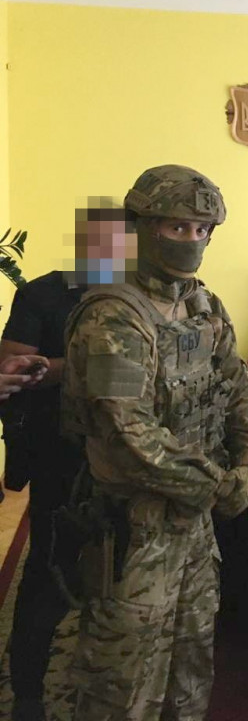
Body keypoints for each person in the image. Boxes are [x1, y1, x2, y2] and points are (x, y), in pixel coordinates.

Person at [62, 164, 248, 721]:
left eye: (202, 229)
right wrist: (218, 485)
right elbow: (126, 435)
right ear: (144, 226)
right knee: (122, 686)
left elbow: (240, 389)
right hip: (136, 532)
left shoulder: (204, 307)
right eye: (178, 227)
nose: (192, 240)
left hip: (195, 529)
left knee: (190, 668)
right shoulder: (113, 317)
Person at [0, 202, 133, 721]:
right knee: (48, 573)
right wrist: (95, 365)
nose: (107, 253)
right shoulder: (43, 294)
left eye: (119, 244)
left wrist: (61, 367)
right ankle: (28, 693)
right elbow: (14, 367)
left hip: (128, 455)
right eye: (97, 242)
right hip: (60, 456)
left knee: (126, 573)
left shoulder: (139, 295)